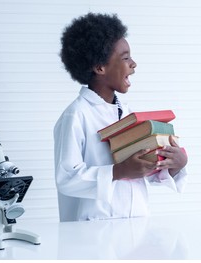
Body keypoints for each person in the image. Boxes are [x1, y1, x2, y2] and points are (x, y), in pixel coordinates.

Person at [54, 13, 188, 222]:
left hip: (136, 222)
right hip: (95, 230)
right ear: (100, 67)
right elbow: (67, 179)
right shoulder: (76, 115)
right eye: (125, 58)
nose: (133, 64)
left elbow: (142, 170)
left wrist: (174, 163)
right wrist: (118, 171)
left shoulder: (126, 114)